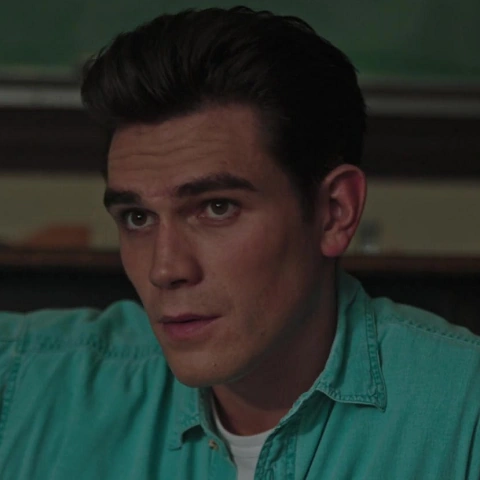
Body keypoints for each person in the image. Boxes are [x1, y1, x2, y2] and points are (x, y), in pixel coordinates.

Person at [1, 6, 479, 480]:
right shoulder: (30, 380)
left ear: (335, 212)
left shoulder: (464, 412)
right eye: (138, 217)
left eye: (217, 208)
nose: (164, 269)